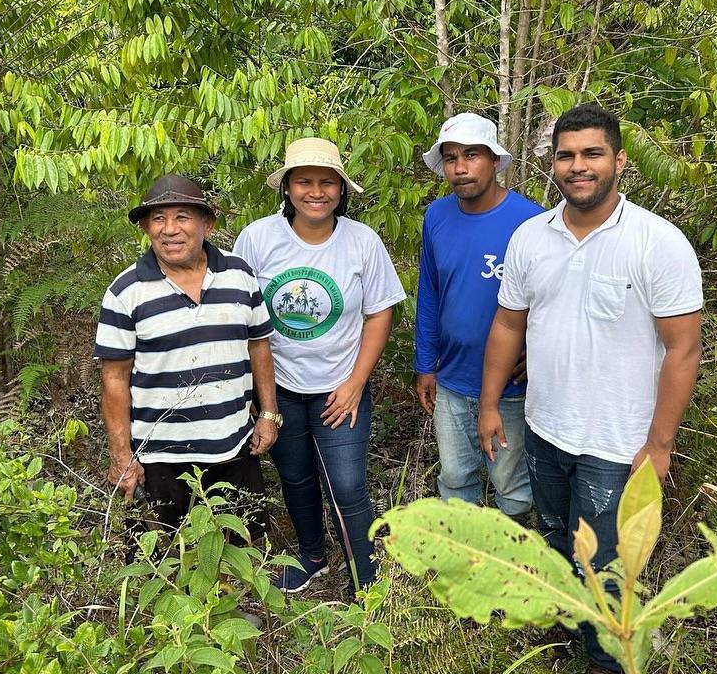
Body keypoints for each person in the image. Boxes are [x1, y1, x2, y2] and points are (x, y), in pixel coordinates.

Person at [478, 104, 702, 672]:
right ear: (553, 164)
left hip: (617, 445)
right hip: (545, 427)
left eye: (592, 154)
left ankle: (605, 659)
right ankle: (565, 640)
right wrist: (488, 404)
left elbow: (684, 349)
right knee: (555, 542)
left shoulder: (658, 243)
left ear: (619, 161)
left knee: (605, 567)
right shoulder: (531, 237)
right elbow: (508, 324)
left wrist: (659, 446)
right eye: (566, 155)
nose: (578, 166)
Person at [233, 137, 406, 595]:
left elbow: (380, 311)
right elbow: (243, 313)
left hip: (340, 386)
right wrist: (256, 396)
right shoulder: (257, 238)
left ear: (341, 189)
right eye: (304, 181)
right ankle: (311, 555)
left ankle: (363, 574)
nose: (316, 191)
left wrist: (355, 383)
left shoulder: (361, 241)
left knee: (347, 485)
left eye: (327, 182)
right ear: (287, 187)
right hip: (278, 388)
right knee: (295, 476)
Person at [95, 174, 279, 539]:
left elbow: (259, 345)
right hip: (161, 457)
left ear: (206, 224)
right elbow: (114, 379)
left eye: (182, 217)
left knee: (243, 553)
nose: (170, 229)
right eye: (158, 219)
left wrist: (269, 415)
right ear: (147, 228)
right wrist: (122, 454)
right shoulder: (125, 292)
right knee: (166, 561)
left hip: (235, 445)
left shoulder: (240, 275)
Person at [415, 112, 542, 519]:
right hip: (452, 379)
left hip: (512, 388)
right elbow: (430, 294)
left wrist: (537, 353)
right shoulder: (437, 217)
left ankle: (512, 568)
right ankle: (463, 564)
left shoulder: (532, 221)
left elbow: (552, 303)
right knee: (455, 477)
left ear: (494, 160)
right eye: (450, 158)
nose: (460, 167)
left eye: (472, 155)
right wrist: (425, 365)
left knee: (512, 483)